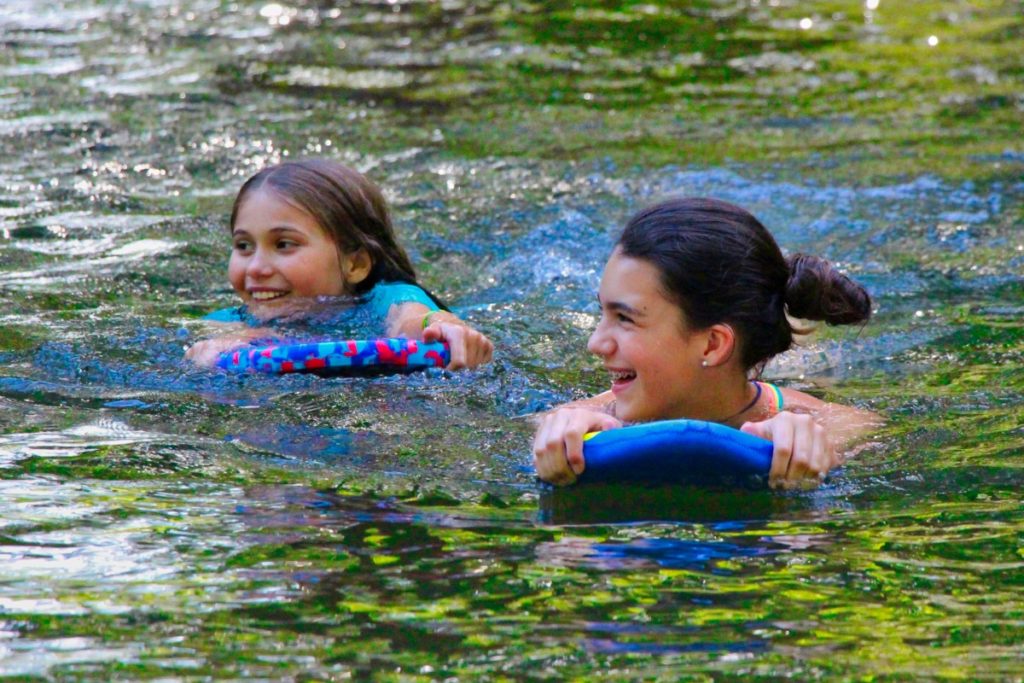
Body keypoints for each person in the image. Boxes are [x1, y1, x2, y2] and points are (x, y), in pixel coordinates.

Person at [532, 197, 881, 489]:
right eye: (602, 312)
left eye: (624, 319)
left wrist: (815, 458)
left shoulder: (835, 426)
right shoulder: (575, 422)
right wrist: (554, 446)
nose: (596, 343)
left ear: (712, 345)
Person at [185, 159, 493, 370]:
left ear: (355, 263)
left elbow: (416, 321)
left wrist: (444, 329)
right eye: (243, 246)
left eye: (283, 245)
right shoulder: (230, 321)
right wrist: (218, 349)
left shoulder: (387, 301)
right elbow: (204, 345)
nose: (255, 268)